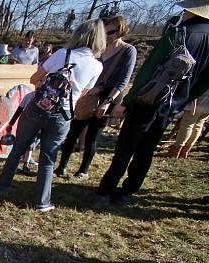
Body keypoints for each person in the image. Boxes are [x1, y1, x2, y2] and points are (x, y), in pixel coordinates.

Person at [92, 0, 209, 205]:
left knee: (126, 147)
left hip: (147, 101)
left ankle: (106, 190)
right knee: (147, 150)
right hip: (172, 105)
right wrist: (184, 100)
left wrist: (127, 101)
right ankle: (128, 192)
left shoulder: (179, 34)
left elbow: (148, 70)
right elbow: (205, 81)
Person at [0, 19, 105, 212]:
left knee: (19, 147)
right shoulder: (97, 66)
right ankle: (42, 202)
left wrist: (47, 86)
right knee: (48, 158)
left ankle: (1, 187)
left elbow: (34, 79)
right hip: (64, 115)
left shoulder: (62, 54)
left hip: (38, 108)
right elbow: (83, 93)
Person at [55, 15, 137, 180]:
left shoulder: (128, 51)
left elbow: (123, 81)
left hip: (108, 97)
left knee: (93, 135)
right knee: (73, 132)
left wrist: (107, 102)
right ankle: (61, 166)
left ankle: (83, 171)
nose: (107, 35)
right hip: (88, 95)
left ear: (120, 32)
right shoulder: (97, 48)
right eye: (104, 32)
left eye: (111, 32)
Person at [168, 92, 209, 157]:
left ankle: (176, 150)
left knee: (187, 125)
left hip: (199, 100)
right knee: (198, 125)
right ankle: (185, 150)